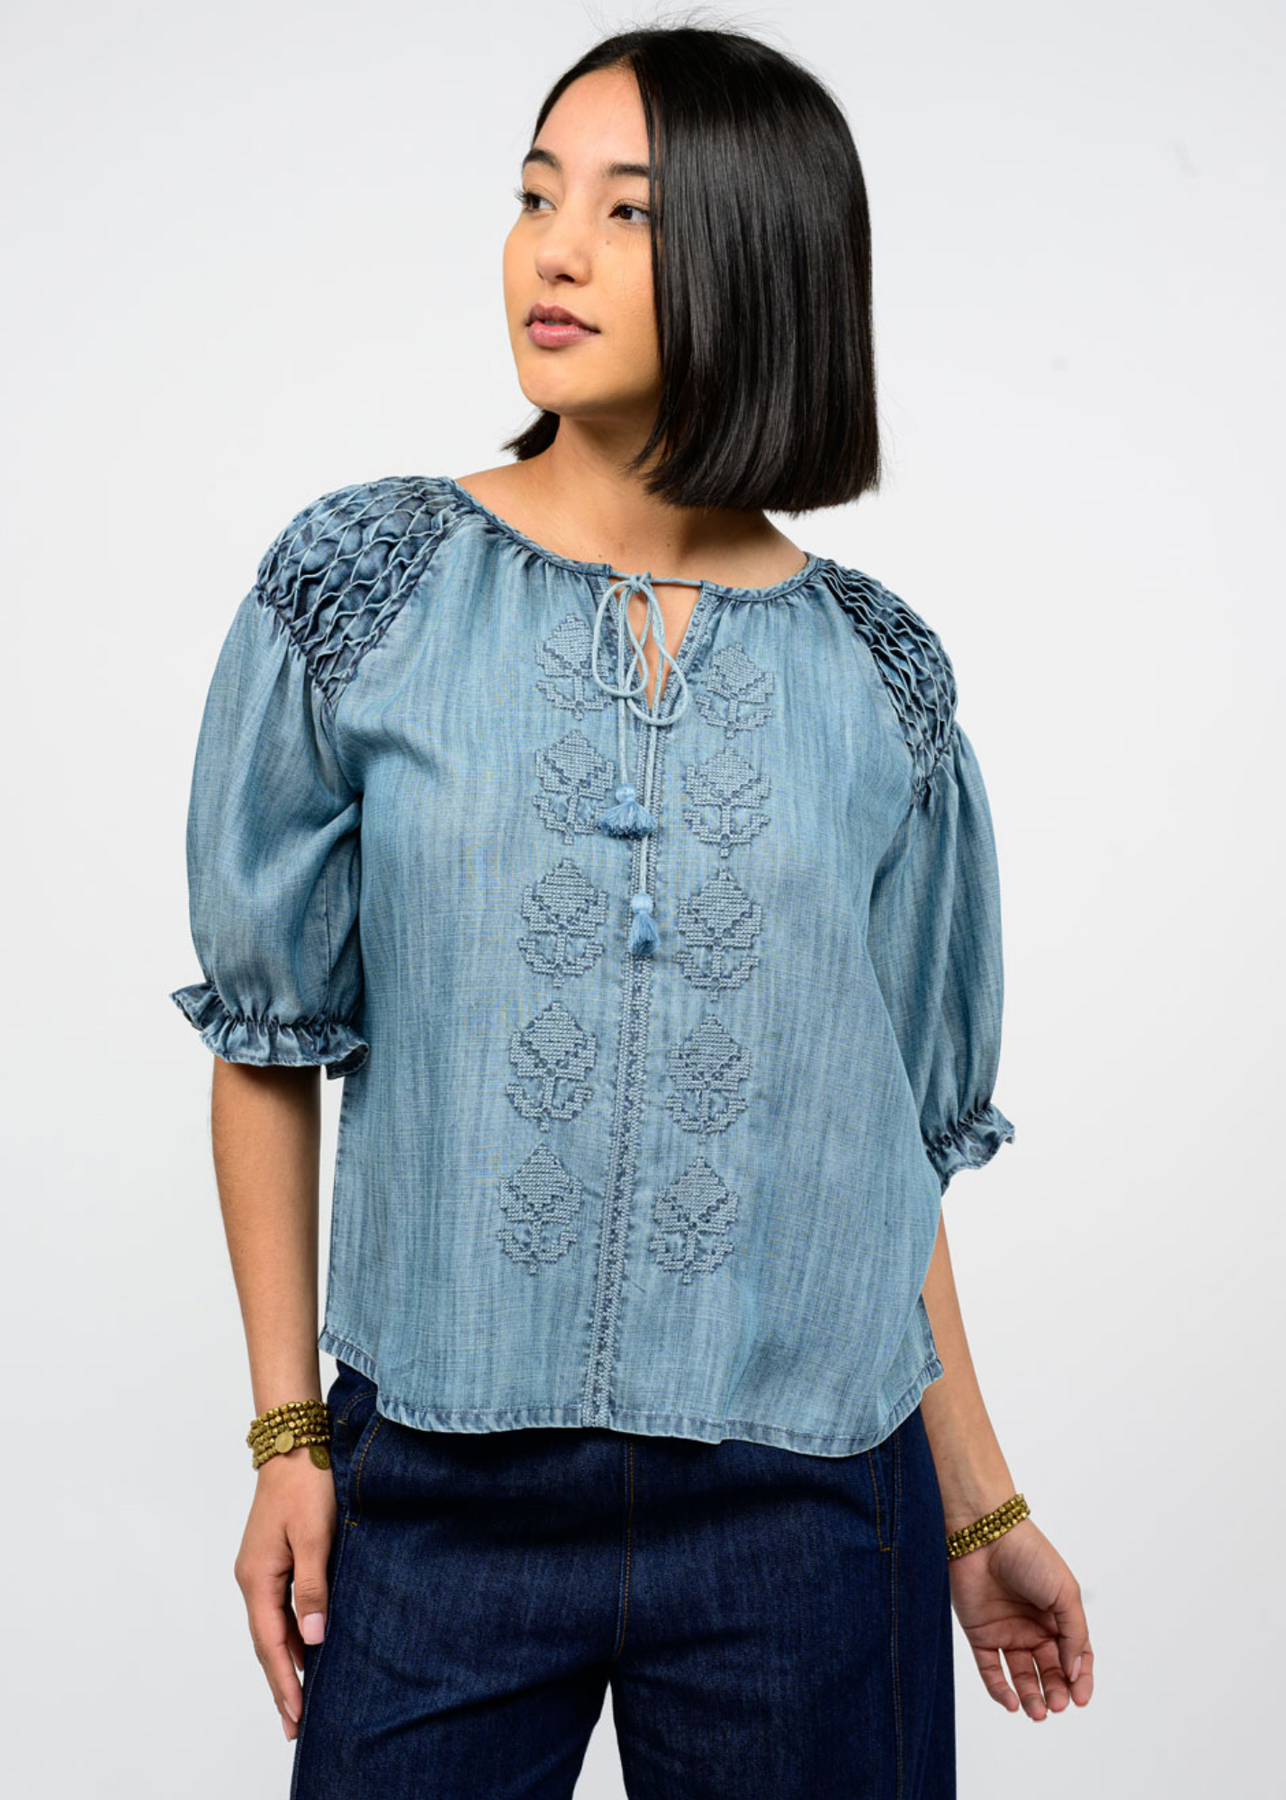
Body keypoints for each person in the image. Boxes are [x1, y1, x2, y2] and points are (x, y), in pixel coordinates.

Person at [169, 23, 1094, 1798]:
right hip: (436, 1489)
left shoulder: (880, 681)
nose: (555, 250)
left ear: (759, 254)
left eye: (626, 212)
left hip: (805, 1515)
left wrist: (979, 1508)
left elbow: (877, 1154)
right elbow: (266, 1040)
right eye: (536, 197)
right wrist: (288, 1435)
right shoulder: (364, 592)